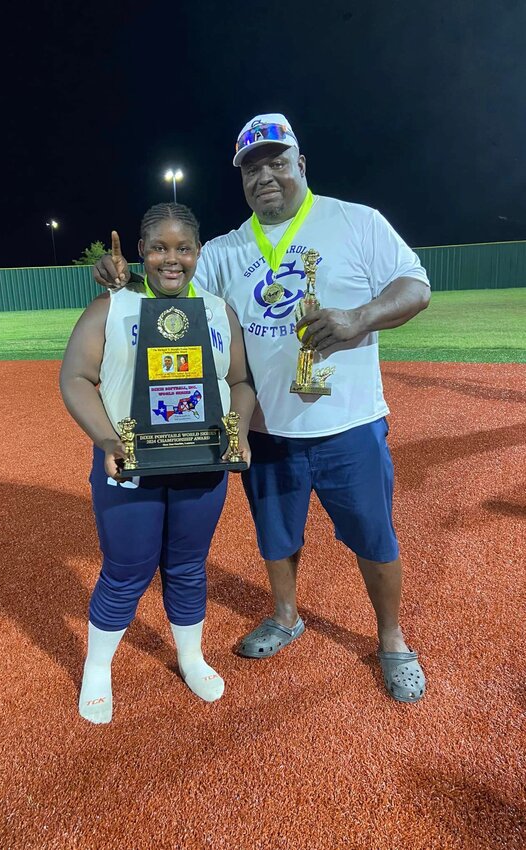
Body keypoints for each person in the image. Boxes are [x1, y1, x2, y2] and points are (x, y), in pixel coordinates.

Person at [94, 114, 431, 703]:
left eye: (277, 161)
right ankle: (285, 615)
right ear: (242, 180)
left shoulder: (356, 221)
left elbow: (415, 285)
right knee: (276, 536)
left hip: (347, 422)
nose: (265, 175)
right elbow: (172, 290)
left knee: (374, 536)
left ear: (301, 163)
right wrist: (122, 284)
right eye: (252, 168)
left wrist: (358, 318)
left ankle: (392, 638)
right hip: (264, 430)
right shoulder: (227, 250)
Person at [61, 202, 255, 723]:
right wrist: (108, 439)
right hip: (131, 466)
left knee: (188, 568)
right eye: (160, 248)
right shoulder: (113, 306)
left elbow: (239, 381)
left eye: (184, 248)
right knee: (126, 570)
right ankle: (98, 668)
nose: (173, 259)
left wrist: (236, 430)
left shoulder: (217, 310)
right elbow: (75, 379)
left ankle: (191, 657)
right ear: (143, 253)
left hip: (202, 464)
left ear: (198, 251)